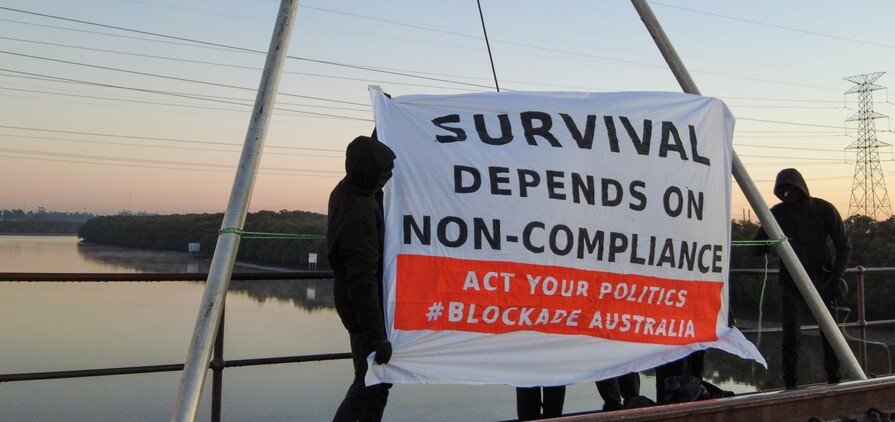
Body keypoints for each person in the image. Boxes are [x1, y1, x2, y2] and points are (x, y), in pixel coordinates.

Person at [752, 168, 851, 389]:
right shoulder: (776, 213)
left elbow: (844, 246)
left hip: (822, 282)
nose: (787, 195)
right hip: (791, 283)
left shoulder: (823, 209)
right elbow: (757, 249)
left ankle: (835, 382)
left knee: (830, 334)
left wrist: (834, 279)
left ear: (800, 187)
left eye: (790, 190)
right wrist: (767, 240)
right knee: (790, 336)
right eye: (782, 191)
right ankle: (791, 385)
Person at [329, 134, 397, 421]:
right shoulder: (359, 214)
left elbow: (368, 156)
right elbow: (362, 279)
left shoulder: (350, 190)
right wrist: (377, 335)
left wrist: (384, 123)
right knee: (371, 384)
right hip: (363, 310)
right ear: (368, 171)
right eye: (383, 172)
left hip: (352, 304)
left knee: (371, 381)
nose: (388, 177)